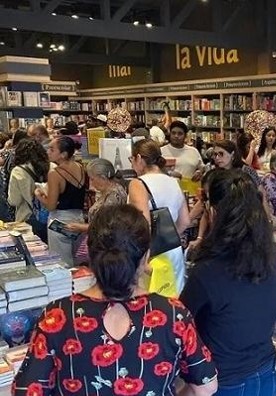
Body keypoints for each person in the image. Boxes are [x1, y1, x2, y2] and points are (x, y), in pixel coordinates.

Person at [13, 204, 218, 396]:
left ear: (90, 256)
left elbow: (27, 390)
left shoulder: (57, 316)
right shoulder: (173, 314)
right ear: (146, 257)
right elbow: (206, 386)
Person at [180, 170, 276, 395]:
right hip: (267, 368)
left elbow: (182, 321)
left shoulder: (208, 271)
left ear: (215, 212)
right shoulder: (275, 254)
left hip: (224, 378)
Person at [128, 139, 190, 296]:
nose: (131, 164)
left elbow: (144, 224)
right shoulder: (174, 182)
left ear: (139, 158)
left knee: (149, 303)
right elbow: (185, 221)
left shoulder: (138, 184)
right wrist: (168, 238)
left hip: (149, 253)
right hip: (173, 251)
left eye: (131, 159)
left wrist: (144, 257)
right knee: (173, 298)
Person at [35, 136, 86, 266]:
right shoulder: (81, 167)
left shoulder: (55, 174)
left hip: (59, 220)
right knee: (76, 262)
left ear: (63, 154)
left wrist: (39, 196)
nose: (48, 152)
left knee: (61, 264)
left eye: (52, 149)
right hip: (79, 219)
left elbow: (51, 206)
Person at [65, 158, 127, 264]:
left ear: (103, 178)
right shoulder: (110, 191)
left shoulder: (113, 195)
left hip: (106, 247)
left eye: (92, 179)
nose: (91, 183)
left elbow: (107, 225)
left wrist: (81, 227)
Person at [7, 139, 52, 241]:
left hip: (27, 219)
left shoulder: (18, 171)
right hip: (51, 217)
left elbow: (14, 200)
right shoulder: (51, 166)